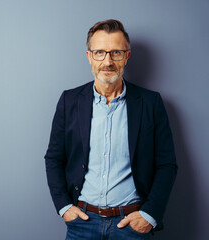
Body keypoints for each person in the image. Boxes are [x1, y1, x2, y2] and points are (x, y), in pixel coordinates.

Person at [44, 19, 177, 239]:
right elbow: (54, 158)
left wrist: (150, 215)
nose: (107, 61)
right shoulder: (69, 101)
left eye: (116, 52)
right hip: (82, 224)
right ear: (89, 57)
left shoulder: (151, 103)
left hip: (131, 226)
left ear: (127, 56)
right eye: (99, 52)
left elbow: (166, 164)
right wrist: (64, 207)